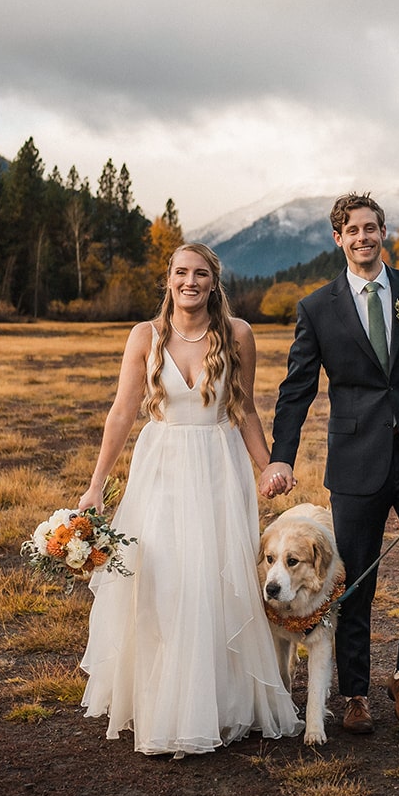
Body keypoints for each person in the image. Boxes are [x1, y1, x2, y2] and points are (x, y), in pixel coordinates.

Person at [262, 193, 399, 733]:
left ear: (384, 232)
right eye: (352, 230)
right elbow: (297, 389)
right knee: (356, 580)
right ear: (338, 239)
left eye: (371, 228)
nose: (363, 237)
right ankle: (356, 693)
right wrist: (281, 458)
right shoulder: (317, 308)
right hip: (357, 460)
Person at [77, 242, 302, 756]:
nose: (190, 282)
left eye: (201, 273)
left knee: (214, 579)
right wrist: (96, 486)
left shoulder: (237, 334)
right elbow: (121, 413)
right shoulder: (145, 336)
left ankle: (222, 705)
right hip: (161, 470)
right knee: (164, 581)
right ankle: (167, 706)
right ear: (169, 279)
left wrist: (267, 465)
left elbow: (244, 410)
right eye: (181, 272)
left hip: (219, 467)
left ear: (213, 282)